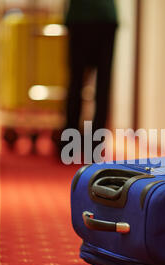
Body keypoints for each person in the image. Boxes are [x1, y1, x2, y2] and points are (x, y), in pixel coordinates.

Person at [54, 0, 118, 158]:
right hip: (105, 16)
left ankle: (69, 145)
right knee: (103, 84)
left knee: (76, 82)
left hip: (81, 17)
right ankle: (95, 146)